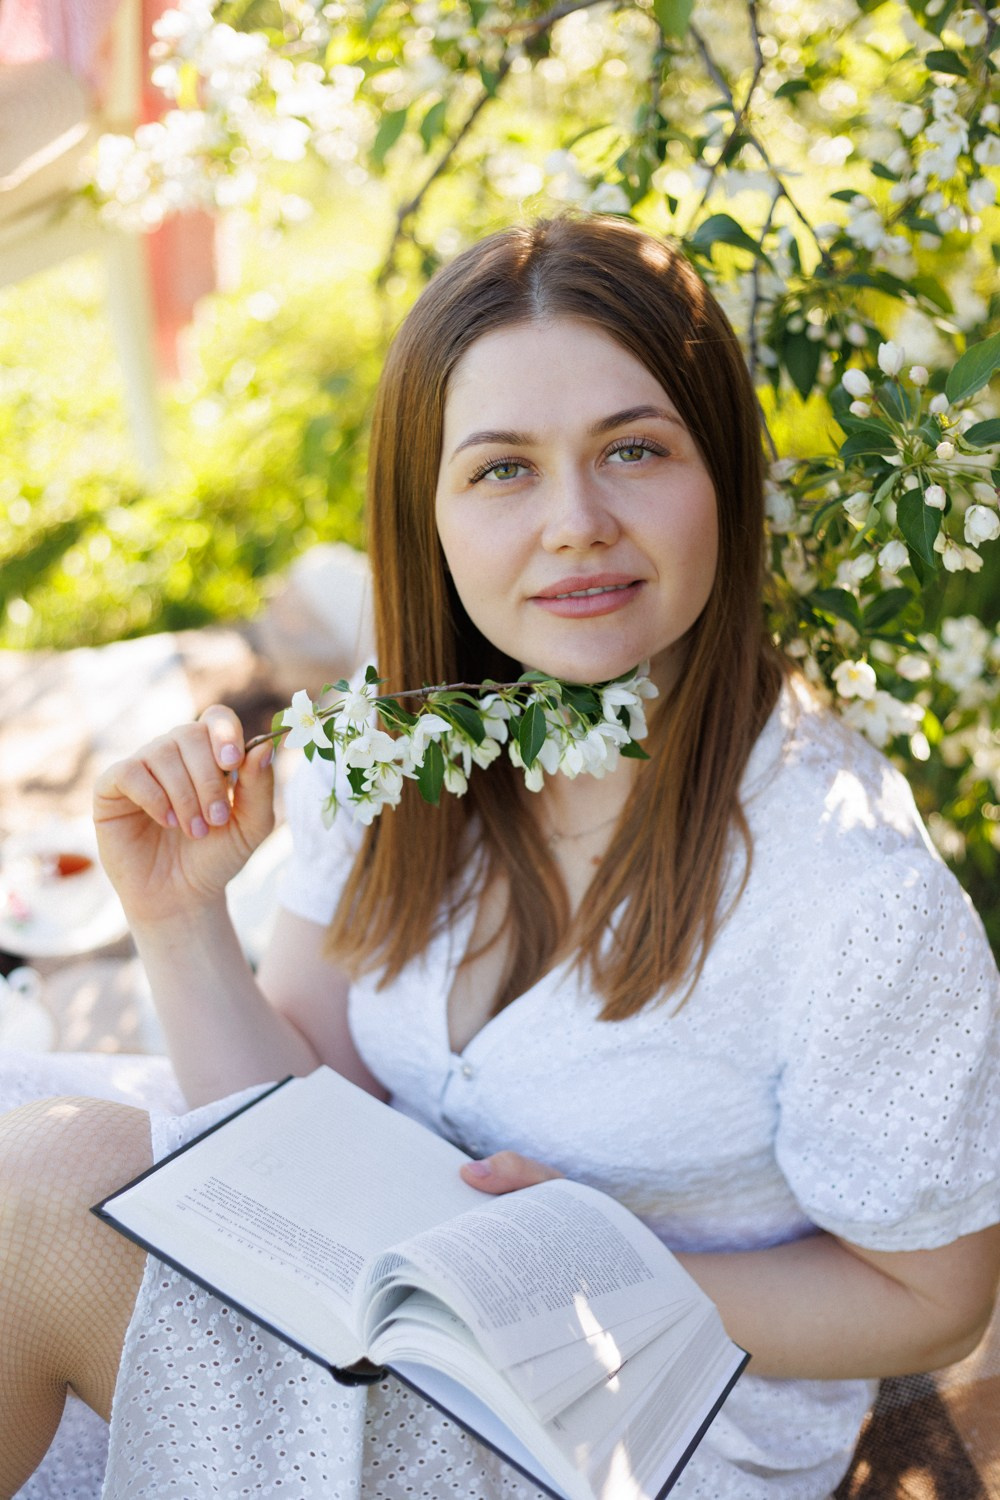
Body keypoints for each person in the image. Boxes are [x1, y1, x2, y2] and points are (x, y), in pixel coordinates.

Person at [1, 213, 998, 1500]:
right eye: (503, 470)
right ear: (429, 515)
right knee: (43, 1156)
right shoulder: (401, 744)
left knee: (43, 1194)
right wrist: (182, 919)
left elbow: (932, 1300)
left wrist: (604, 1265)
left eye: (633, 450)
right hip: (389, 1319)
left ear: (727, 476)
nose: (576, 521)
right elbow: (292, 1118)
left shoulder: (849, 889)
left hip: (646, 1426)